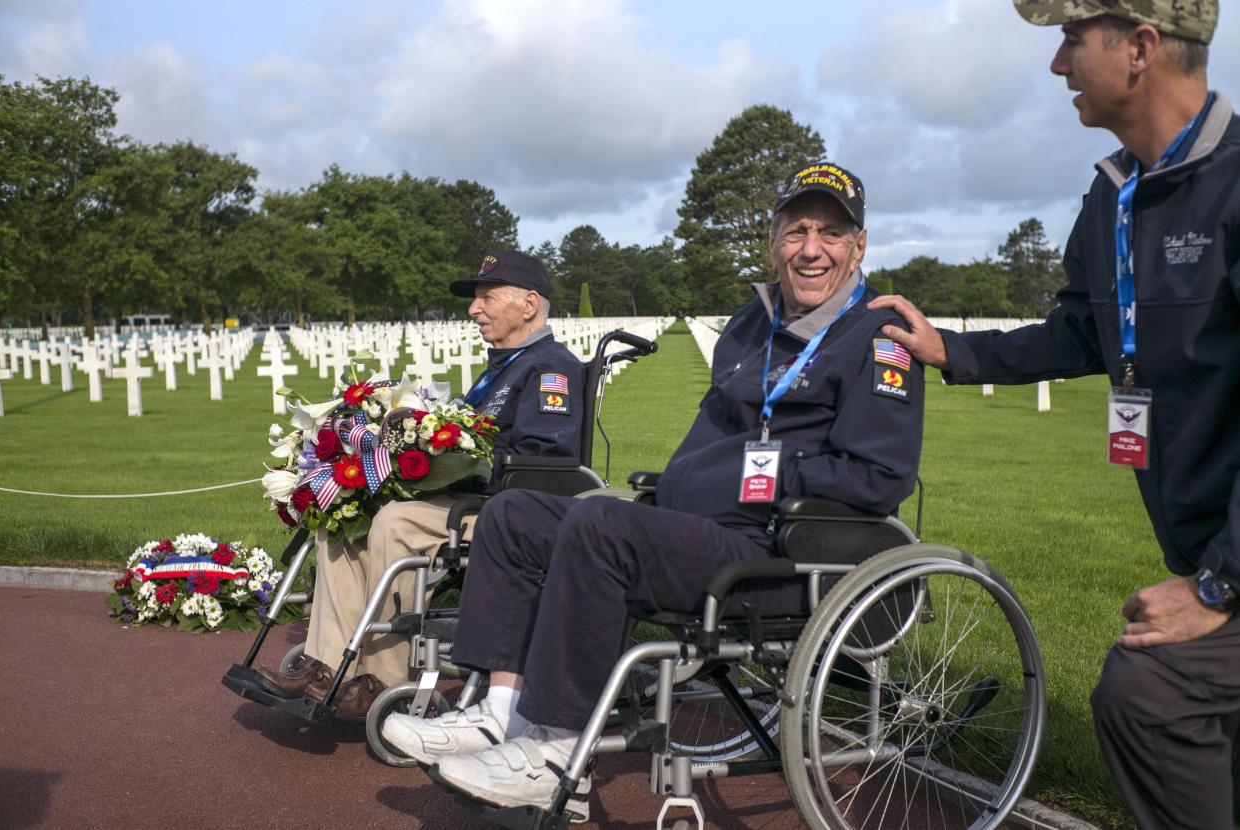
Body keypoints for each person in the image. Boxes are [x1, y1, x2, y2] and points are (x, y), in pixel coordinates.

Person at [380, 161, 926, 820]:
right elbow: (714, 432)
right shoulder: (752, 324)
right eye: (796, 230)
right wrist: (679, 484)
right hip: (699, 529)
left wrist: (765, 476)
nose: (811, 249)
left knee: (599, 529)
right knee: (517, 515)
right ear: (773, 241)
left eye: (831, 233)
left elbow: (880, 475)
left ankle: (554, 748)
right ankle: (502, 715)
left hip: (778, 551)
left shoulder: (878, 338)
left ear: (859, 246)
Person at [869, 2, 1238, 826]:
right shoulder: (1113, 197)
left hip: (1228, 560)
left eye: (1073, 40)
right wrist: (952, 352)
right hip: (1202, 534)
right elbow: (1081, 331)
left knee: (1151, 691)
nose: (1058, 65)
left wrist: (1218, 585)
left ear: (1140, 48)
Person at [255, 251, 585, 716]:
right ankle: (328, 664)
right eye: (476, 300)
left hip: (510, 512)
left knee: (394, 521)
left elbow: (546, 459)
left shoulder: (552, 369)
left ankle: (383, 680)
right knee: (344, 519)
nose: (474, 309)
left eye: (487, 298)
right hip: (467, 501)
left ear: (530, 304)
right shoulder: (503, 367)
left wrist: (453, 459)